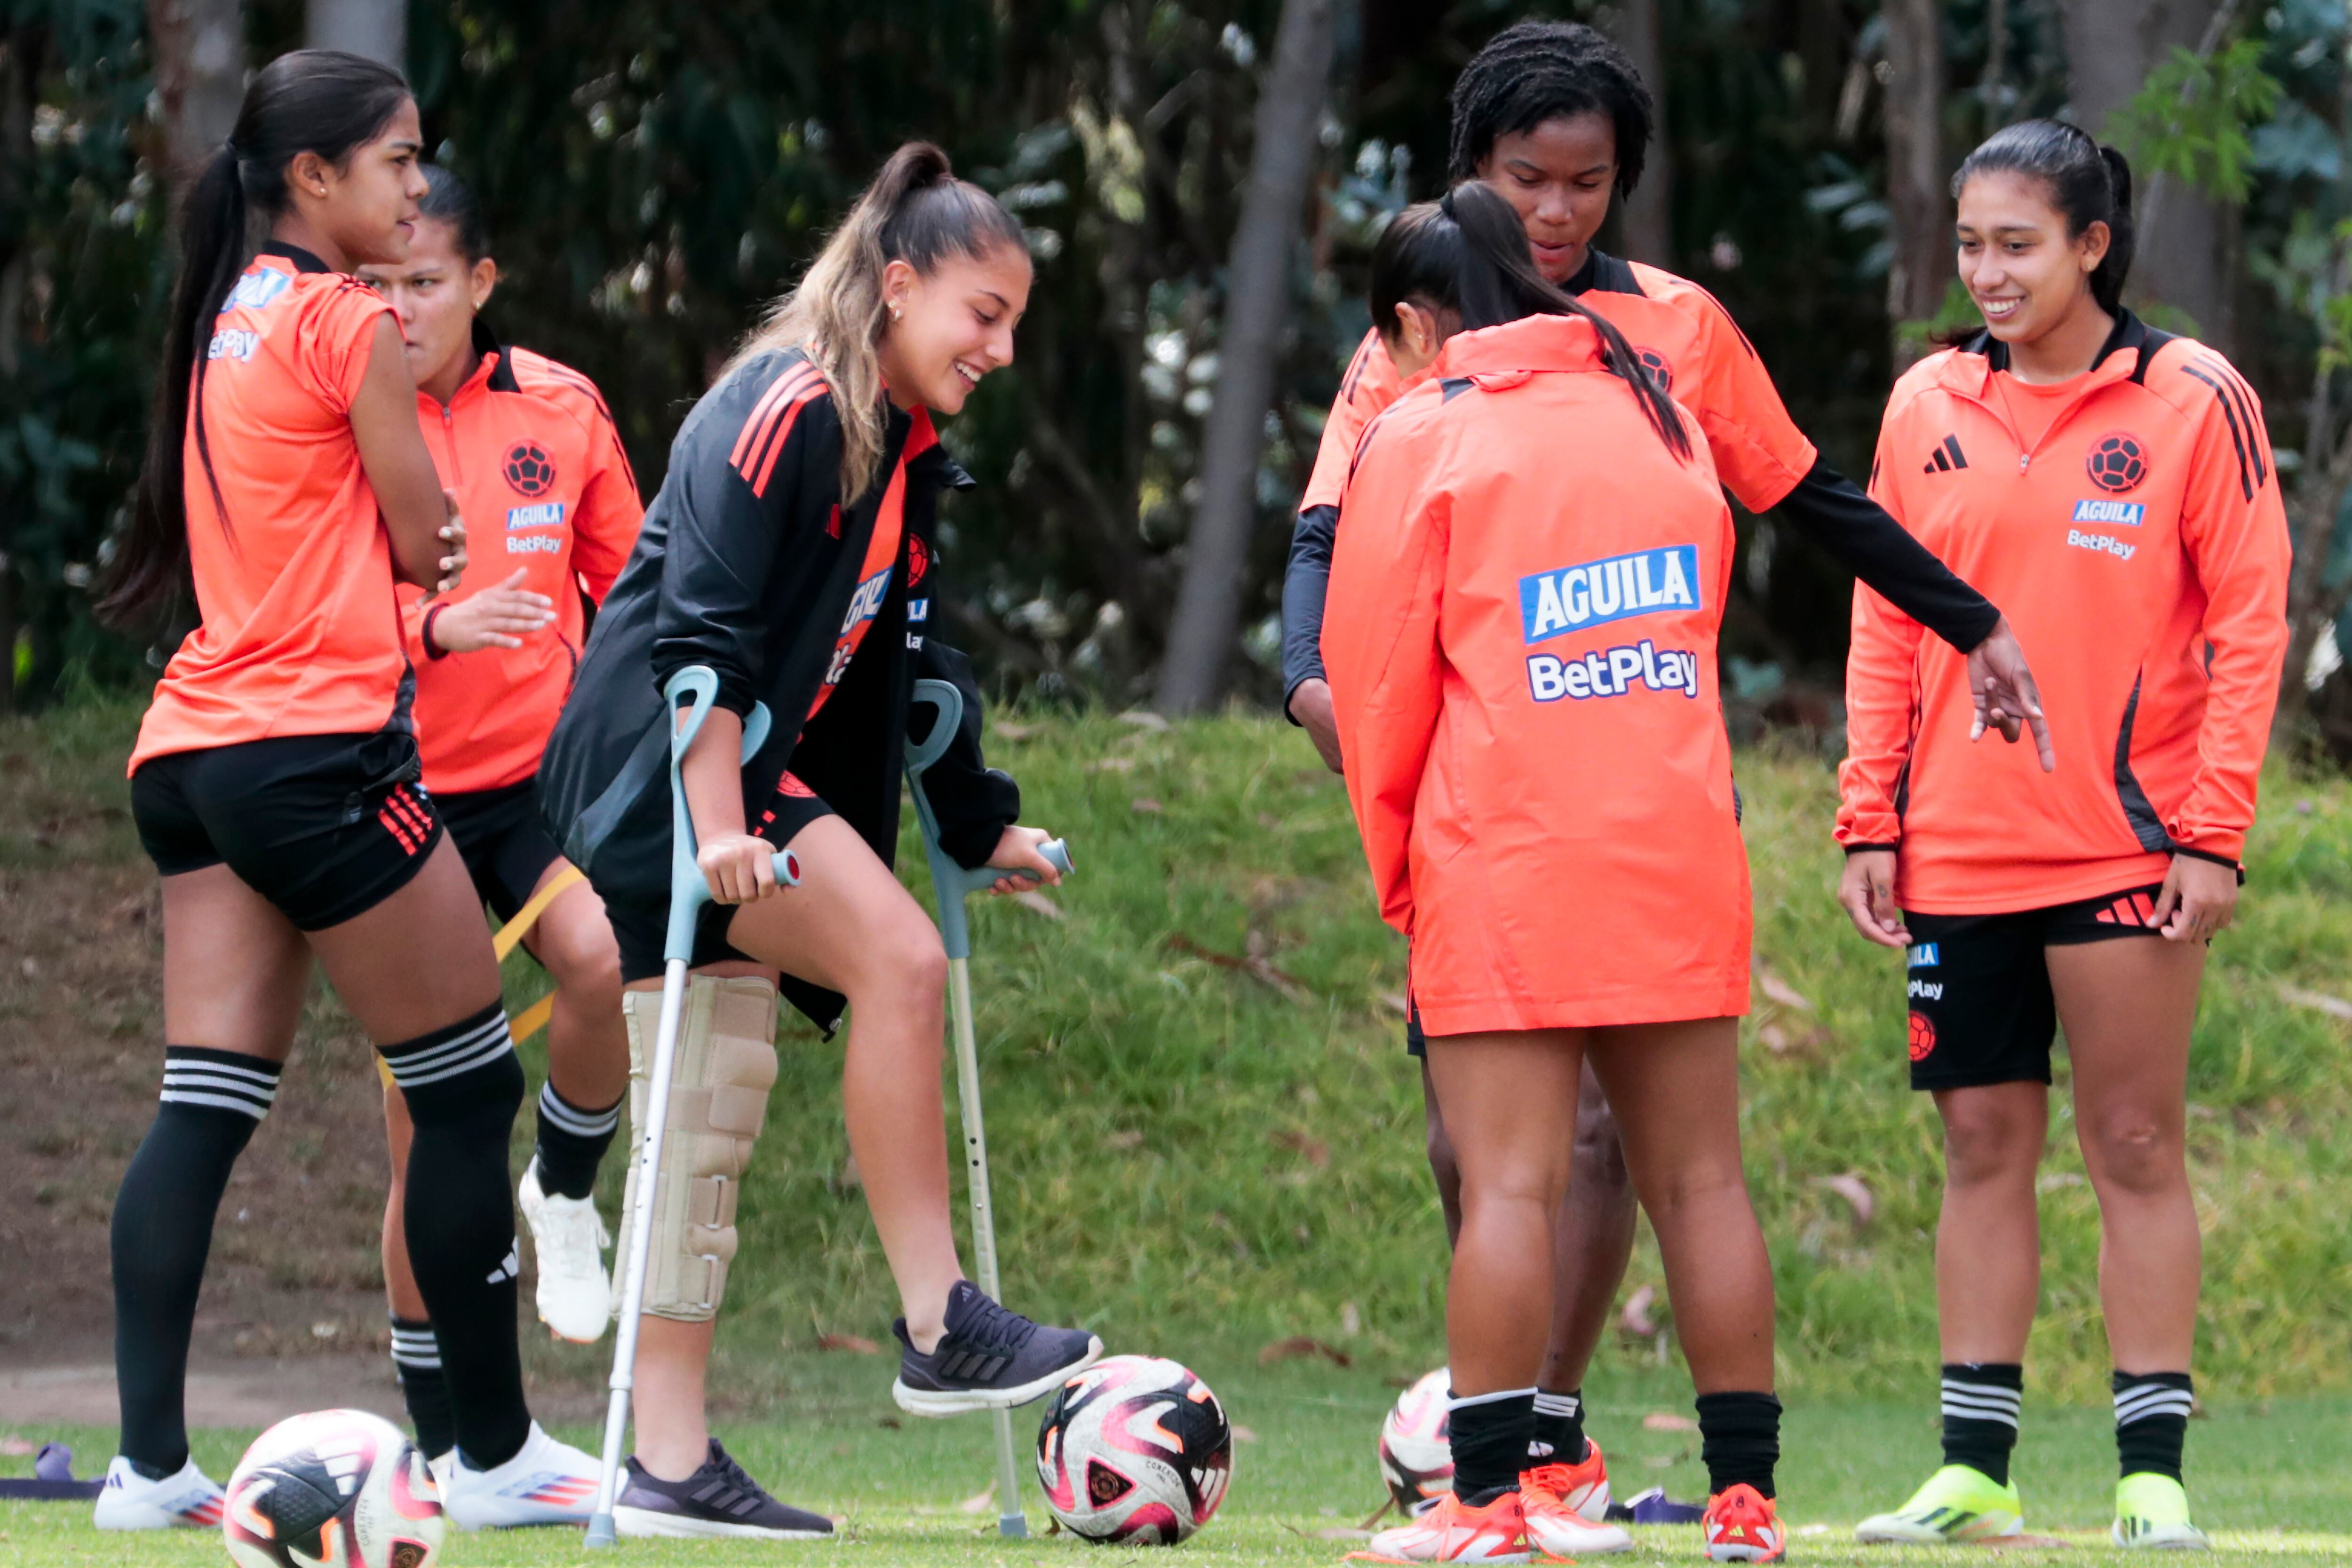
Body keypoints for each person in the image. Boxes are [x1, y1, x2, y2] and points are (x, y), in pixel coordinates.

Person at [1281, 20, 2052, 1541]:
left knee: (1558, 1163)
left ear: (1621, 180)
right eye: (1530, 180)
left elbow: (1811, 495)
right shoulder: (1476, 365)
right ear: (1477, 178)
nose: (1558, 210)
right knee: (1591, 1166)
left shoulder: (1644, 347)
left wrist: (1968, 616)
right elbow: (1333, 545)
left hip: (1511, 826)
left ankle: (1517, 1471)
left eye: (1588, 182)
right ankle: (1734, 1494)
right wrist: (1310, 687)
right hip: (1658, 820)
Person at [537, 141, 1100, 1540]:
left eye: (1014, 324)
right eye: (984, 315)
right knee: (897, 963)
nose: (1001, 350)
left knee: (707, 1105)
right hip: (660, 775)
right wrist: (720, 827)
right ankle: (940, 1321)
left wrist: (979, 822)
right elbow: (699, 640)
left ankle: (667, 1466)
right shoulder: (781, 409)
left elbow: (911, 667)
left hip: (733, 780)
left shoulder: (900, 452)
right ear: (899, 287)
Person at [93, 50, 601, 1533]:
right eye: (397, 160)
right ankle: (494, 1458)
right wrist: (424, 553)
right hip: (315, 754)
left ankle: (145, 1473)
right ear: (315, 179)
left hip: (193, 749)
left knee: (205, 1104)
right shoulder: (345, 319)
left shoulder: (229, 314)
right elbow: (428, 536)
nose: (417, 186)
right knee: (471, 1087)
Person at [1840, 123, 2288, 1552]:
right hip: (1955, 850)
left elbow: (2251, 625)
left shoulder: (2195, 398)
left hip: (2128, 851)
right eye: (1972, 244)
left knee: (2135, 1143)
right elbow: (1884, 617)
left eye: (2018, 245)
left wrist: (2213, 832)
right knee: (1980, 1143)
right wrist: (1869, 812)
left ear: (2093, 246)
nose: (1988, 272)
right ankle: (1976, 1471)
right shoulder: (1925, 402)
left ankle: (2152, 1476)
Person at [1329, 181, 1788, 1565]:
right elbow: (1691, 631)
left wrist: (1403, 868)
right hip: (1675, 843)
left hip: (1509, 855)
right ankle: (1745, 1506)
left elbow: (1378, 684)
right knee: (1702, 1183)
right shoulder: (1661, 414)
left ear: (1419, 324)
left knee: (1511, 1189)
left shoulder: (1426, 430)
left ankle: (1485, 1507)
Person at [353, 165, 644, 1462]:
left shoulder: (562, 410)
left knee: (598, 959)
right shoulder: (343, 418)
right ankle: (440, 1442)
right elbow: (304, 606)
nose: (399, 309)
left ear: (480, 282)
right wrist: (432, 626)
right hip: (394, 794)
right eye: (376, 285)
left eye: (424, 282)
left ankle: (566, 1191)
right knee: (423, 1138)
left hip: (533, 789)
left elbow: (636, 590)